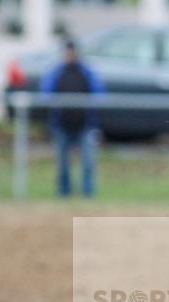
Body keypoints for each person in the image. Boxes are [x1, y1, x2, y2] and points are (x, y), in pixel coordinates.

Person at [40, 40, 105, 198]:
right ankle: (64, 193)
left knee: (88, 163)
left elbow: (100, 94)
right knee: (63, 164)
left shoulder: (86, 72)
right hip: (62, 124)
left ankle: (87, 193)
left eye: (73, 53)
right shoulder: (56, 72)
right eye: (68, 53)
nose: (70, 56)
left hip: (85, 124)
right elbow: (45, 94)